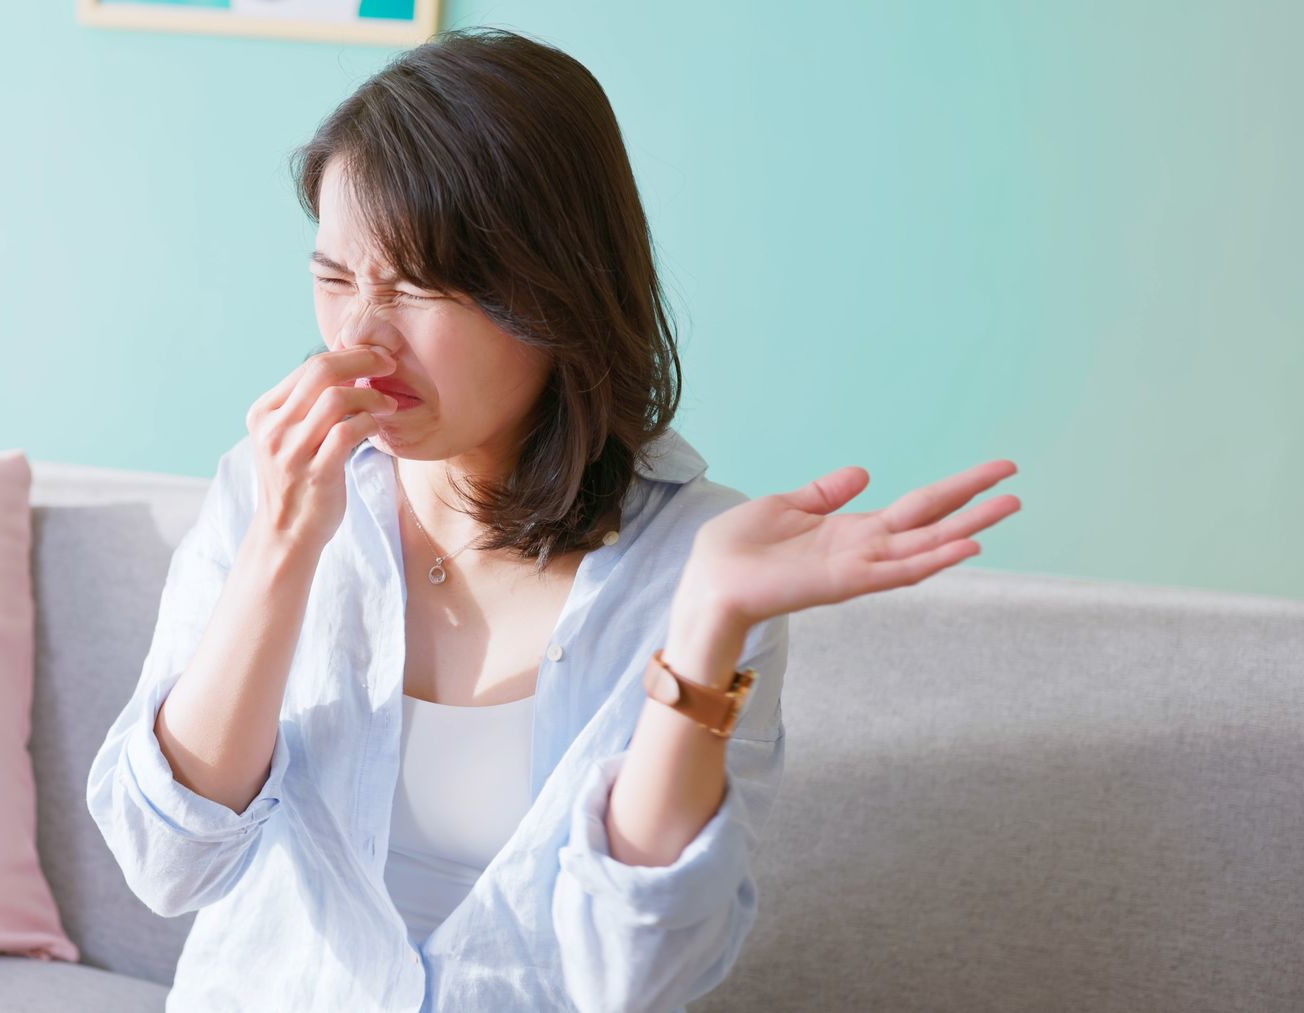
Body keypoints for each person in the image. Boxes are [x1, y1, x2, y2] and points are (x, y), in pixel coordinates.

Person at [87, 26, 1020, 1012]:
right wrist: (282, 543)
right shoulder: (271, 486)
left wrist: (707, 629)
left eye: (413, 287)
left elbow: (637, 972)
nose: (360, 335)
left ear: (548, 291)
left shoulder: (700, 564)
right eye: (333, 279)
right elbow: (165, 862)